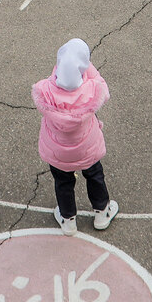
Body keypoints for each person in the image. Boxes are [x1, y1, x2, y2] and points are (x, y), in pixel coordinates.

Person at [33, 39, 118, 235]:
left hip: (58, 151)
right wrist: (88, 68)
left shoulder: (45, 89)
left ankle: (68, 219)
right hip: (86, 147)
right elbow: (103, 90)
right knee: (94, 175)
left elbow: (53, 80)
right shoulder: (91, 89)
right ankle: (102, 212)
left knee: (63, 181)